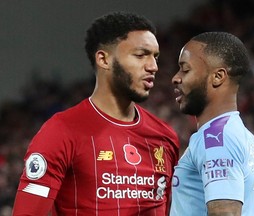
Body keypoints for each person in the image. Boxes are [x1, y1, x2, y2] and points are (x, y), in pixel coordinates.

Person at [12, 11, 179, 216]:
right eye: (140, 55)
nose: (153, 66)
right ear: (103, 59)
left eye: (155, 56)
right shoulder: (61, 131)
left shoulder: (165, 137)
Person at [169, 32, 254, 216]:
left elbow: (226, 212)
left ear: (218, 76)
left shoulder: (216, 139)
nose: (176, 78)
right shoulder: (244, 137)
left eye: (185, 69)